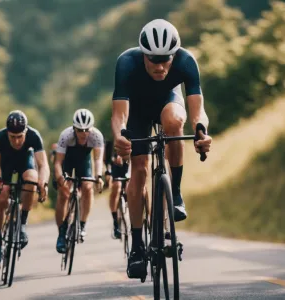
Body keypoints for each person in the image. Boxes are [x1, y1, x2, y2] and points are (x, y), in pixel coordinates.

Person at [111, 19, 213, 279]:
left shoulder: (186, 61)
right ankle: (136, 246)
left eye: (165, 59)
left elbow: (197, 109)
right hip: (137, 111)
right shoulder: (126, 62)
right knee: (140, 172)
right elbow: (120, 114)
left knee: (174, 122)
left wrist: (201, 130)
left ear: (174, 54)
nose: (159, 66)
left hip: (169, 102)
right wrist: (120, 137)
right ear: (143, 54)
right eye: (153, 59)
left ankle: (175, 194)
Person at [0, 110, 50, 264]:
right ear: (7, 133)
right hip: (6, 165)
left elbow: (43, 165)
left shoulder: (33, 136)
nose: (16, 141)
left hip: (25, 163)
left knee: (32, 179)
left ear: (26, 131)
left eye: (20, 137)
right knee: (1, 198)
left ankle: (22, 223)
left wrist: (43, 183)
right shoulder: (0, 136)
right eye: (12, 137)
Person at [54, 108, 104, 254]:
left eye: (86, 130)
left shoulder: (96, 136)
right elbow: (58, 162)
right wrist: (60, 177)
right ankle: (61, 232)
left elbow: (97, 159)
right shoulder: (66, 135)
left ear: (91, 128)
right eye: (79, 130)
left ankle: (82, 224)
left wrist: (99, 176)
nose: (83, 133)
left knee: (88, 188)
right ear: (74, 128)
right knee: (63, 193)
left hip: (84, 161)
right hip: (67, 161)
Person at [103, 140, 130, 239]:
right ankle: (115, 222)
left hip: (128, 166)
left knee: (129, 188)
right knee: (117, 187)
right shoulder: (110, 140)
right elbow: (106, 160)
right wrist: (108, 172)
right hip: (115, 168)